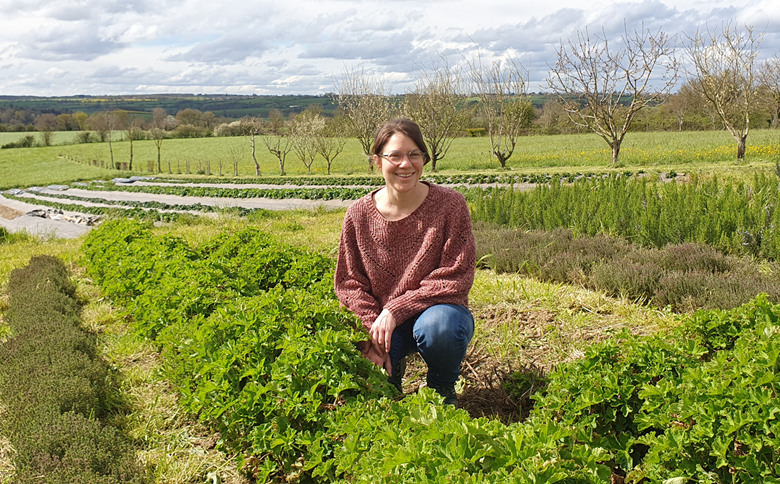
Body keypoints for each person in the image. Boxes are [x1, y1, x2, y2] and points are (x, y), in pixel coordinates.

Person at [334, 118, 476, 405]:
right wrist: (373, 329)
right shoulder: (358, 215)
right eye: (395, 155)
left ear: (424, 158)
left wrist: (395, 310)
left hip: (437, 315)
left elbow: (456, 276)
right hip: (382, 323)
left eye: (414, 154)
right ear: (377, 161)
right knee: (368, 393)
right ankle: (392, 368)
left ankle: (441, 388)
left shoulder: (450, 205)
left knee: (440, 328)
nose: (406, 164)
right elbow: (350, 283)